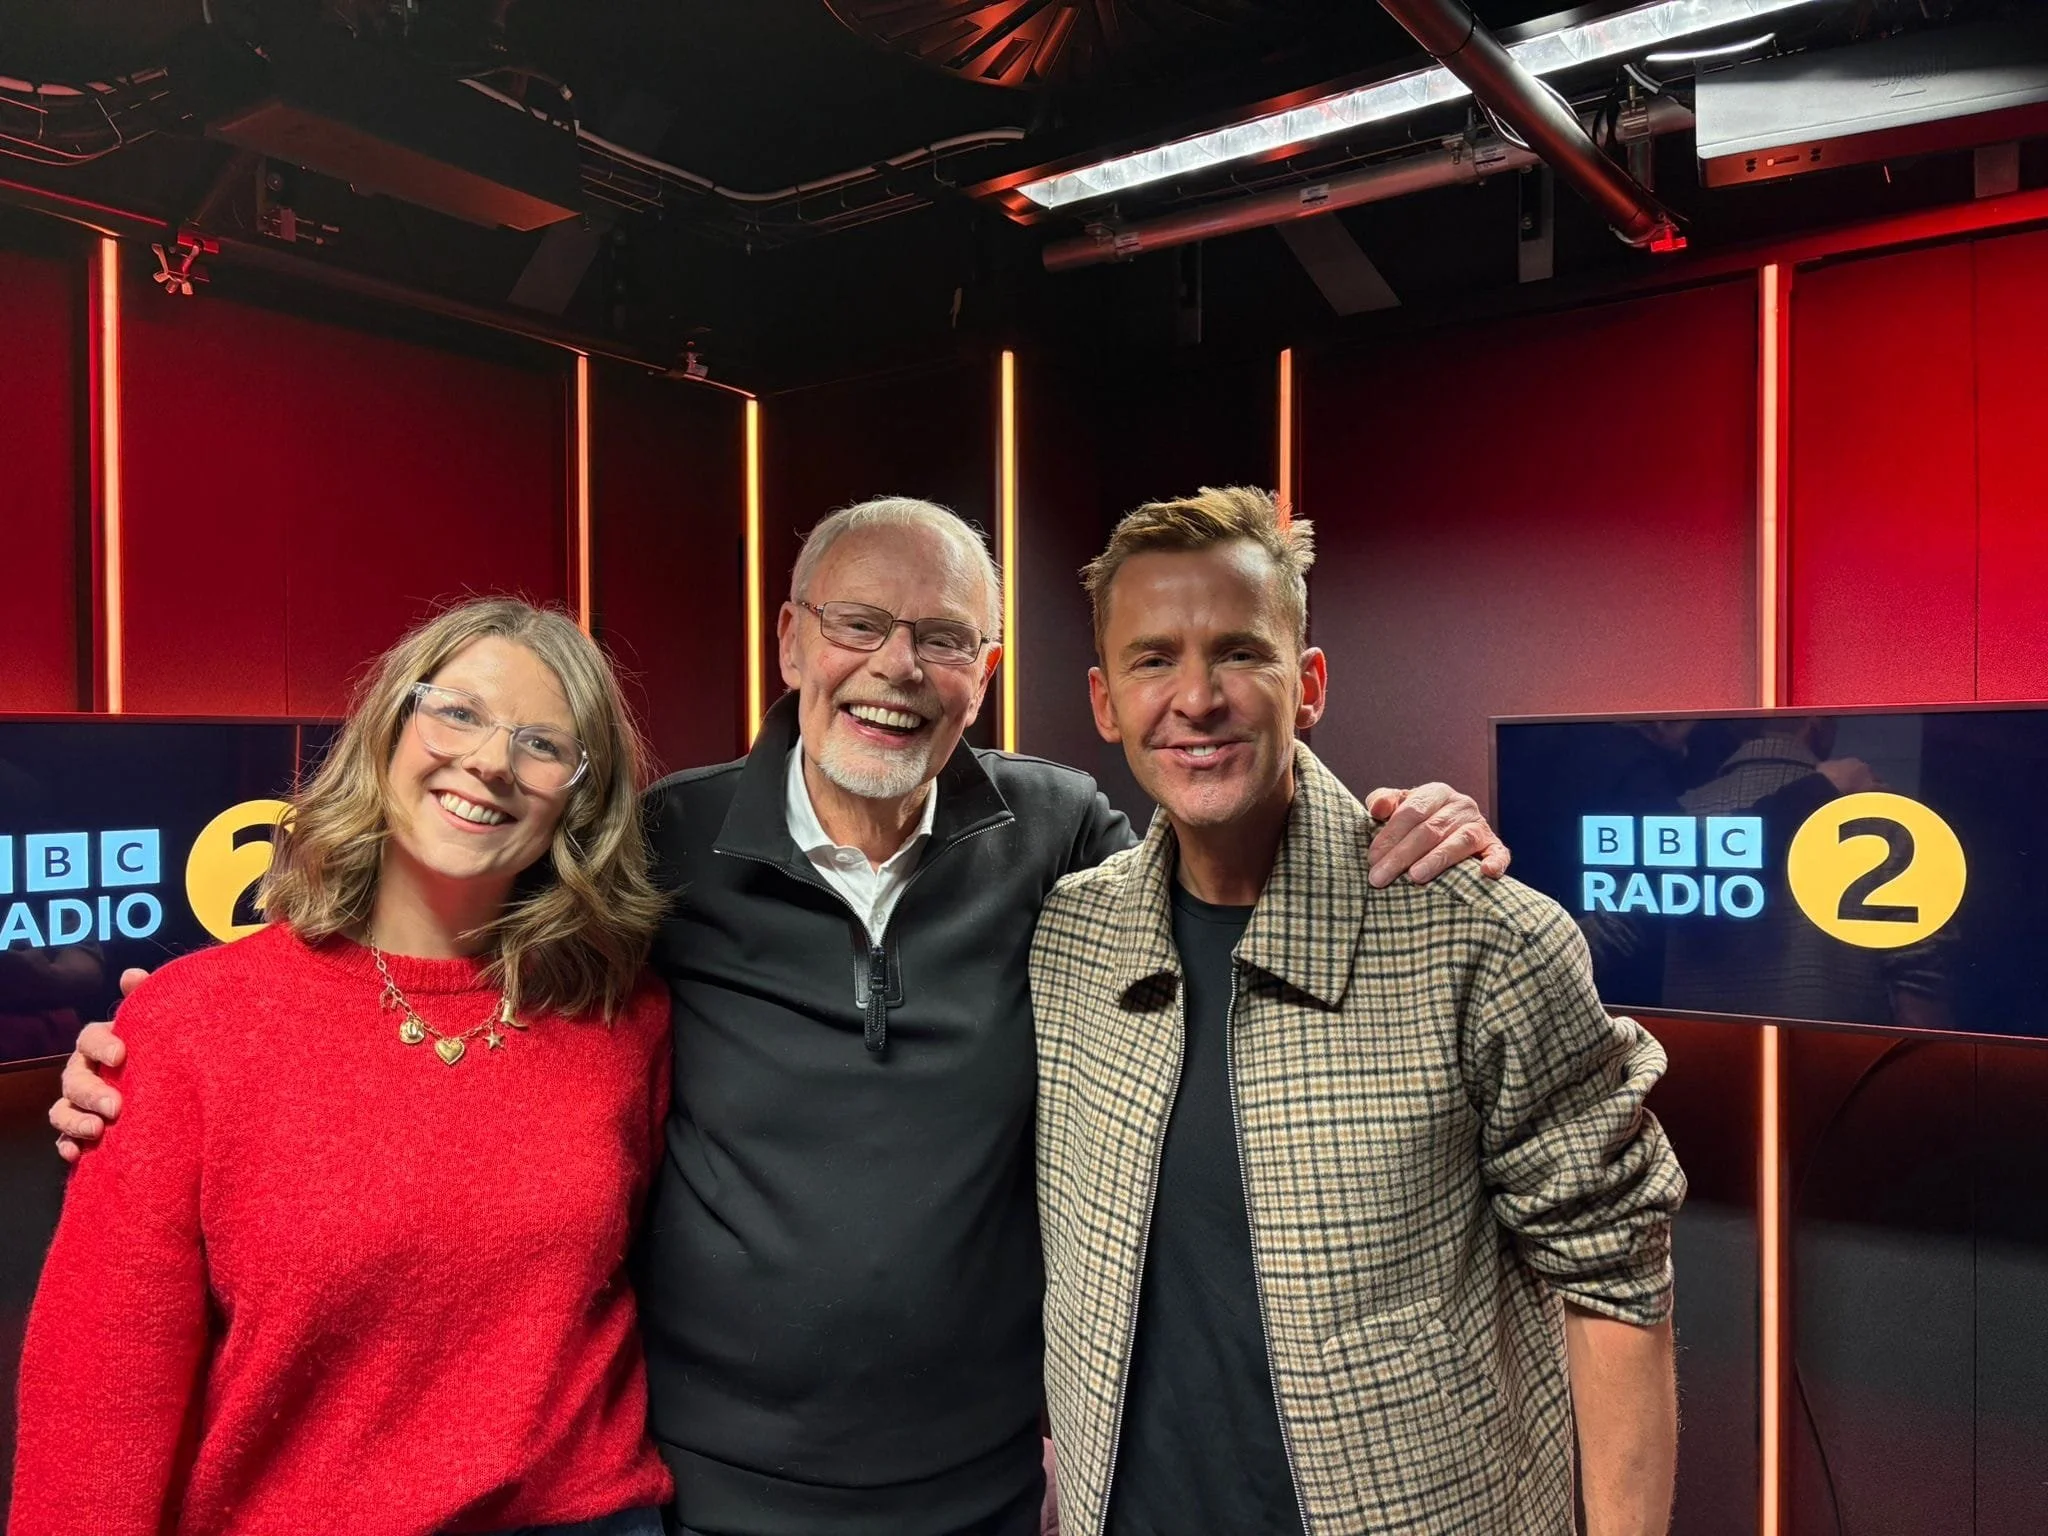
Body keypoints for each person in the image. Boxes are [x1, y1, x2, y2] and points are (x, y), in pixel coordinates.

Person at [48, 498, 1510, 1536]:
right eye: (860, 626)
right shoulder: (658, 860)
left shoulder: (1061, 831)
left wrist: (1387, 818)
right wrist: (165, 1040)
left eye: (942, 638)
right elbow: (431, 944)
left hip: (991, 1489)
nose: (896, 667)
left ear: (987, 675)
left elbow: (1222, 846)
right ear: (791, 641)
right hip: (708, 1494)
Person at [1030, 488, 1686, 1536]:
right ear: (1105, 703)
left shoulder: (1481, 937)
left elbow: (1613, 1281)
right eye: (1153, 659)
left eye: (1239, 651)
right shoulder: (1068, 936)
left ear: (1309, 683)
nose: (1195, 698)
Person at [12, 599, 675, 1536]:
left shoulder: (627, 1017)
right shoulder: (190, 1022)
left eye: (542, 744)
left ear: (581, 794)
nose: (490, 760)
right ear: (391, 726)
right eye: (458, 711)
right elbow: (100, 1388)